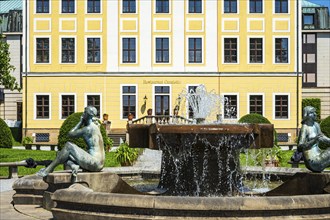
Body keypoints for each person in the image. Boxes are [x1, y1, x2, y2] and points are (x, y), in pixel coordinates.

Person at [37, 106, 105, 177]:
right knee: (61, 154)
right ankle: (73, 165)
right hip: (99, 163)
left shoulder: (88, 129)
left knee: (68, 146)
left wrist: (80, 122)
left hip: (95, 163)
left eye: (85, 112)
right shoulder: (95, 126)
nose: (83, 114)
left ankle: (48, 170)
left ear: (89, 115)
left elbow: (70, 134)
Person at [297, 106, 330, 172]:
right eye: (312, 112)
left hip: (319, 155)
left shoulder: (316, 125)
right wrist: (314, 140)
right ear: (306, 115)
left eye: (315, 112)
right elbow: (300, 147)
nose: (315, 114)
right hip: (312, 161)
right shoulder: (305, 128)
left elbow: (322, 138)